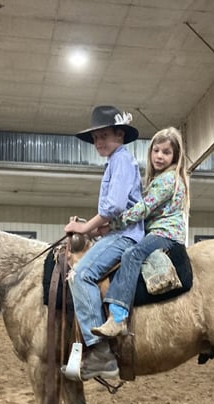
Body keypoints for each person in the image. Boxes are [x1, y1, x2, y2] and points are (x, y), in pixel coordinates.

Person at [63, 105, 144, 380]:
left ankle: (100, 353)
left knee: (80, 275)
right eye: (96, 138)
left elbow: (115, 205)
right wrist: (98, 231)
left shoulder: (121, 160)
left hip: (125, 237)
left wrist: (84, 227)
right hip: (117, 232)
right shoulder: (117, 161)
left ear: (119, 135)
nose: (99, 142)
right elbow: (119, 211)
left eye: (104, 136)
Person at [92, 126, 189, 338]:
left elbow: (142, 209)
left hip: (165, 234)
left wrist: (111, 225)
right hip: (158, 233)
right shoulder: (159, 179)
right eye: (156, 151)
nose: (160, 156)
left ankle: (118, 317)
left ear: (175, 156)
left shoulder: (168, 179)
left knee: (132, 254)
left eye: (166, 152)